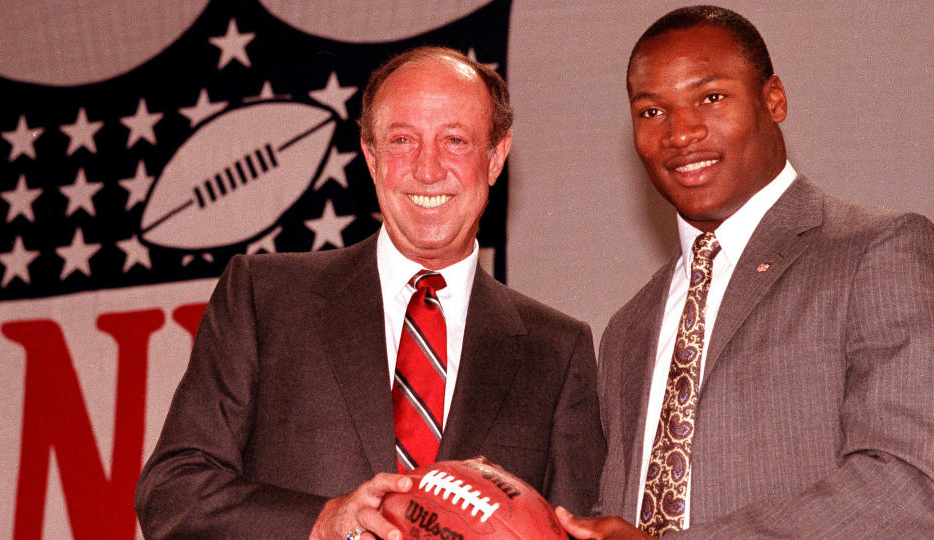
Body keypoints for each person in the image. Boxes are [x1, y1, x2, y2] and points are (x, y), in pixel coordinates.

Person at [135, 46, 605, 540]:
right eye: (403, 140)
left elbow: (576, 528)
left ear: (495, 157)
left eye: (456, 141)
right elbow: (171, 493)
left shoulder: (556, 351)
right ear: (371, 155)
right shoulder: (265, 297)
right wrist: (322, 522)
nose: (427, 169)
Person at [556, 5, 934, 539]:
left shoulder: (878, 252)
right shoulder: (628, 327)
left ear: (774, 98)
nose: (681, 133)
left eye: (711, 98)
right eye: (651, 112)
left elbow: (914, 488)